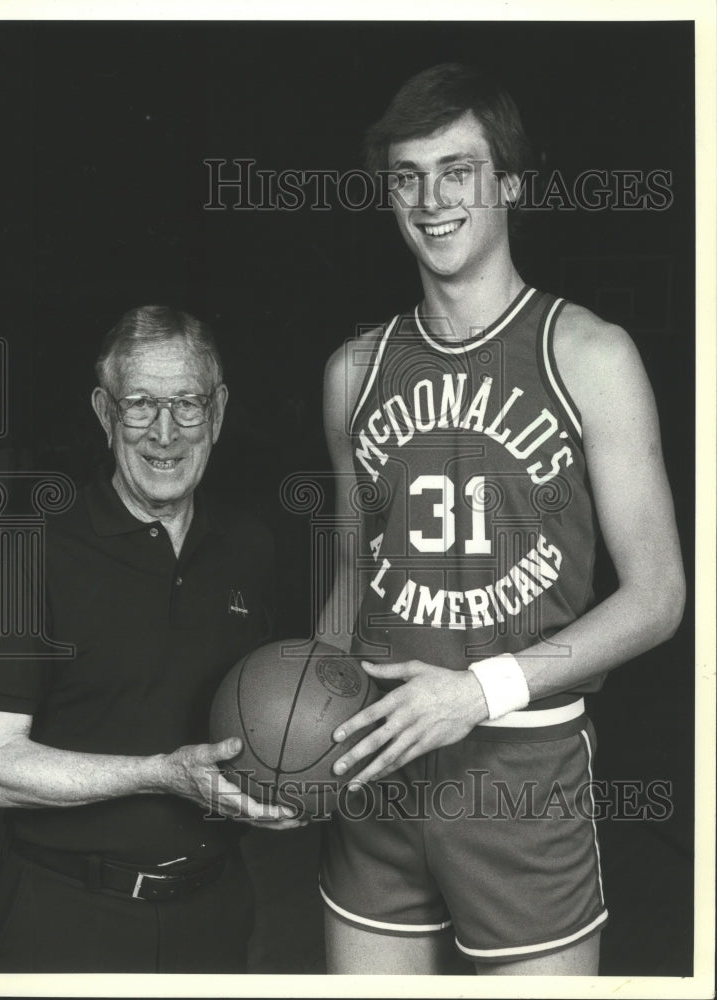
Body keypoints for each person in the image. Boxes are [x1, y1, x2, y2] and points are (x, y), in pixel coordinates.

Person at [317, 64, 685, 975]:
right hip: (377, 764)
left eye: (458, 170)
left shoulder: (588, 353)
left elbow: (658, 597)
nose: (430, 199)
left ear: (510, 182)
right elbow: (350, 576)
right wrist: (304, 728)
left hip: (522, 776)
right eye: (407, 176)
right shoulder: (353, 372)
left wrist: (476, 692)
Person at [0, 305, 302, 973]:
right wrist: (157, 776)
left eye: (187, 404)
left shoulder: (248, 549)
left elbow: (269, 719)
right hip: (64, 921)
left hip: (215, 914)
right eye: (140, 403)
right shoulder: (40, 553)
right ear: (103, 410)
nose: (165, 432)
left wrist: (295, 779)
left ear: (219, 411)